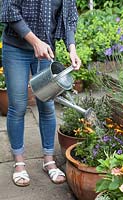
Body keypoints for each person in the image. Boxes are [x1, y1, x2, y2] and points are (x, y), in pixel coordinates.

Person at [1, 0, 81, 186]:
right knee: (18, 106)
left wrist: (72, 49)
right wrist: (35, 42)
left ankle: (48, 160)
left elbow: (68, 16)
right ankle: (19, 163)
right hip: (16, 49)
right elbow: (9, 9)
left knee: (47, 104)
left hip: (46, 50)